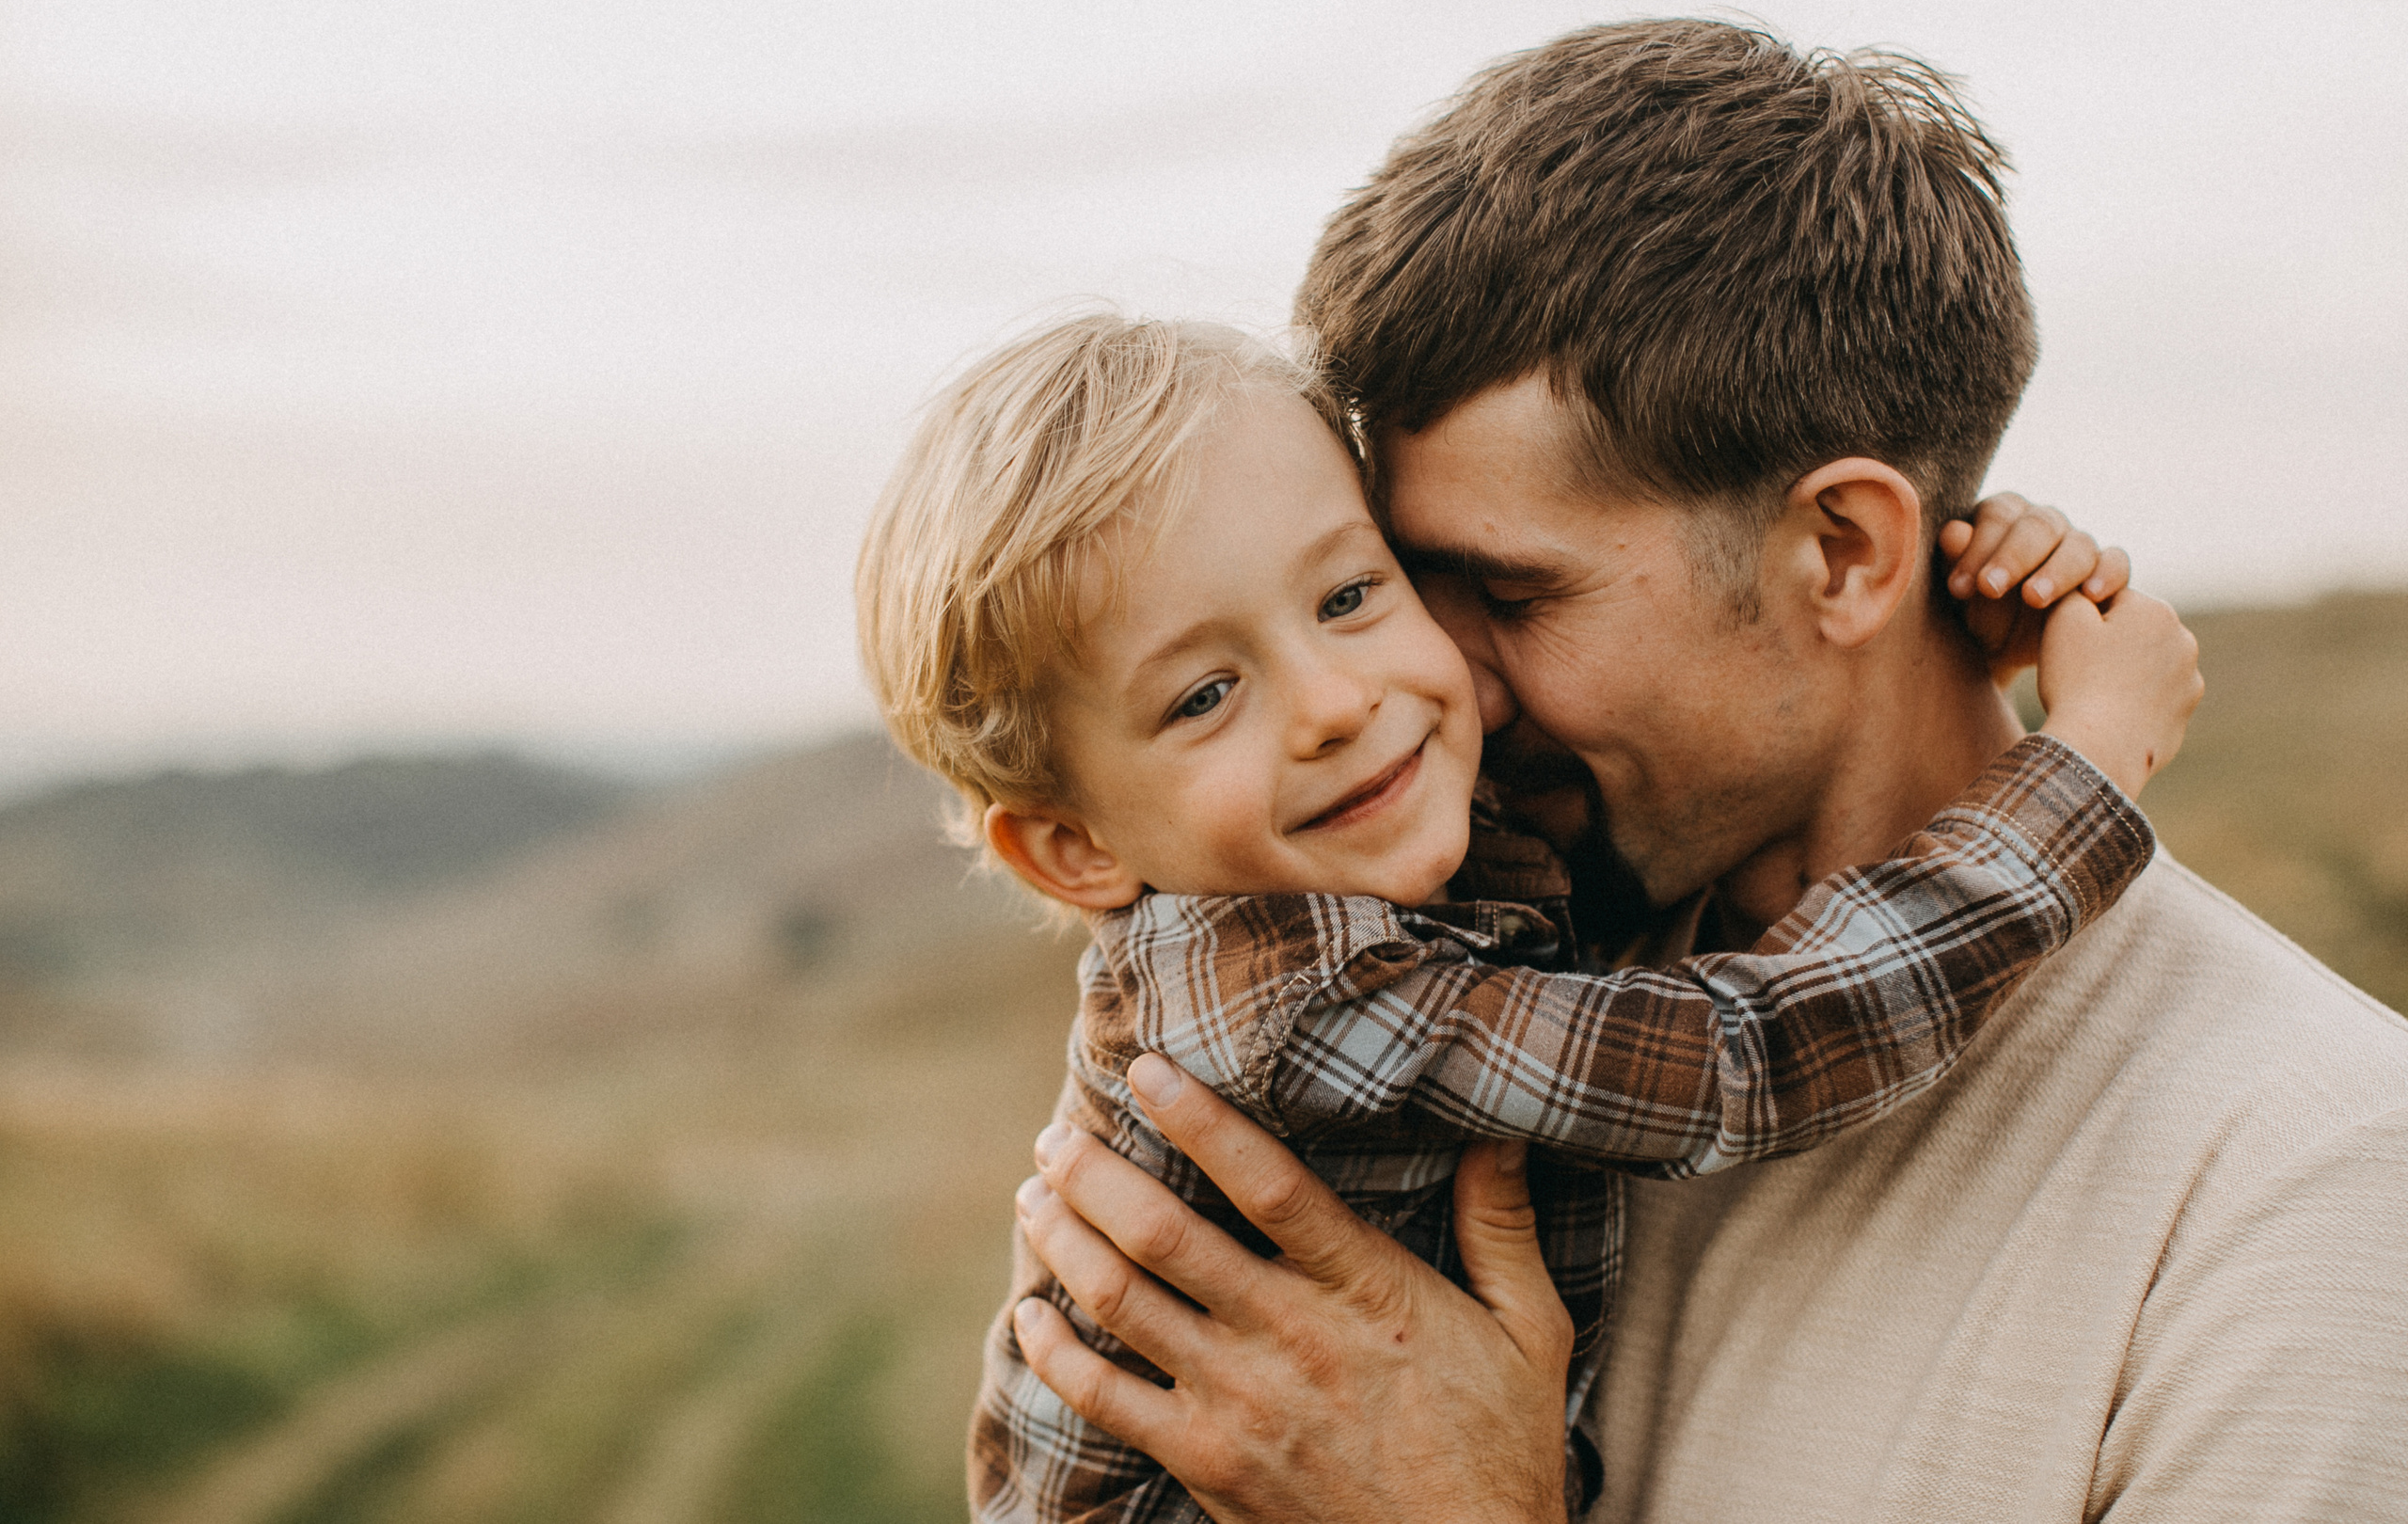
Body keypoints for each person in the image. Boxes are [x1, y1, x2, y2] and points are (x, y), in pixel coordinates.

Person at [1006, 21, 2408, 1522]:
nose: (1427, 690)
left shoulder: (2311, 1194)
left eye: (1518, 596)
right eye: (1396, 583)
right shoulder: (1461, 951)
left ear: (1847, 554)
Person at [853, 310, 2196, 1523]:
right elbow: (1740, 1054)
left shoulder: (1362, 839)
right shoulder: (1300, 997)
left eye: (1349, 595)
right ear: (1073, 848)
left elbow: (1733, 649)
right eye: (1204, 695)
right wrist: (2085, 761)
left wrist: (1935, 613)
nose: (1334, 700)